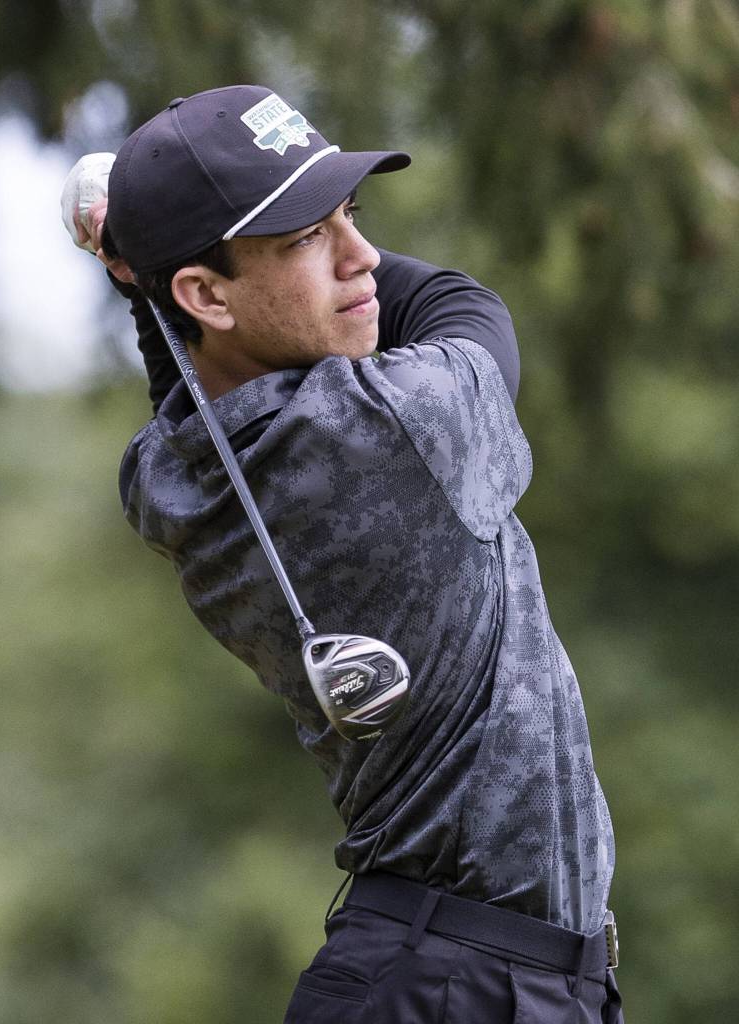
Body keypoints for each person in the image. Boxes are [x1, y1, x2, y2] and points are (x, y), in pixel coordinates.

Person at [62, 84, 623, 1022]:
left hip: (444, 972)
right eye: (304, 239)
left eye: (349, 218)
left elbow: (191, 360)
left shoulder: (168, 477)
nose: (360, 257)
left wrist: (145, 260)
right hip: (460, 984)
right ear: (203, 293)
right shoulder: (396, 427)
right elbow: (458, 303)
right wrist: (132, 248)